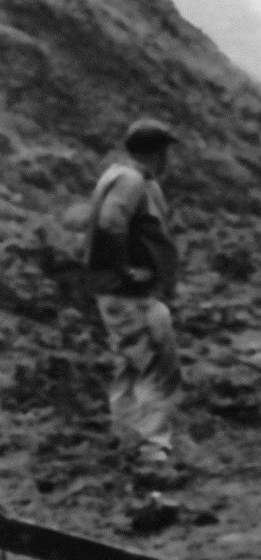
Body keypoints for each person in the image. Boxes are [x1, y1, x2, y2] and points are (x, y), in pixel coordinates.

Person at [83, 119, 184, 493]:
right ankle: (151, 457)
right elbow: (112, 223)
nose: (169, 160)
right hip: (130, 295)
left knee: (130, 366)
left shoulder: (120, 175)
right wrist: (128, 271)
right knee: (154, 367)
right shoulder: (131, 181)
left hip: (119, 292)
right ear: (157, 153)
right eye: (166, 152)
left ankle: (130, 442)